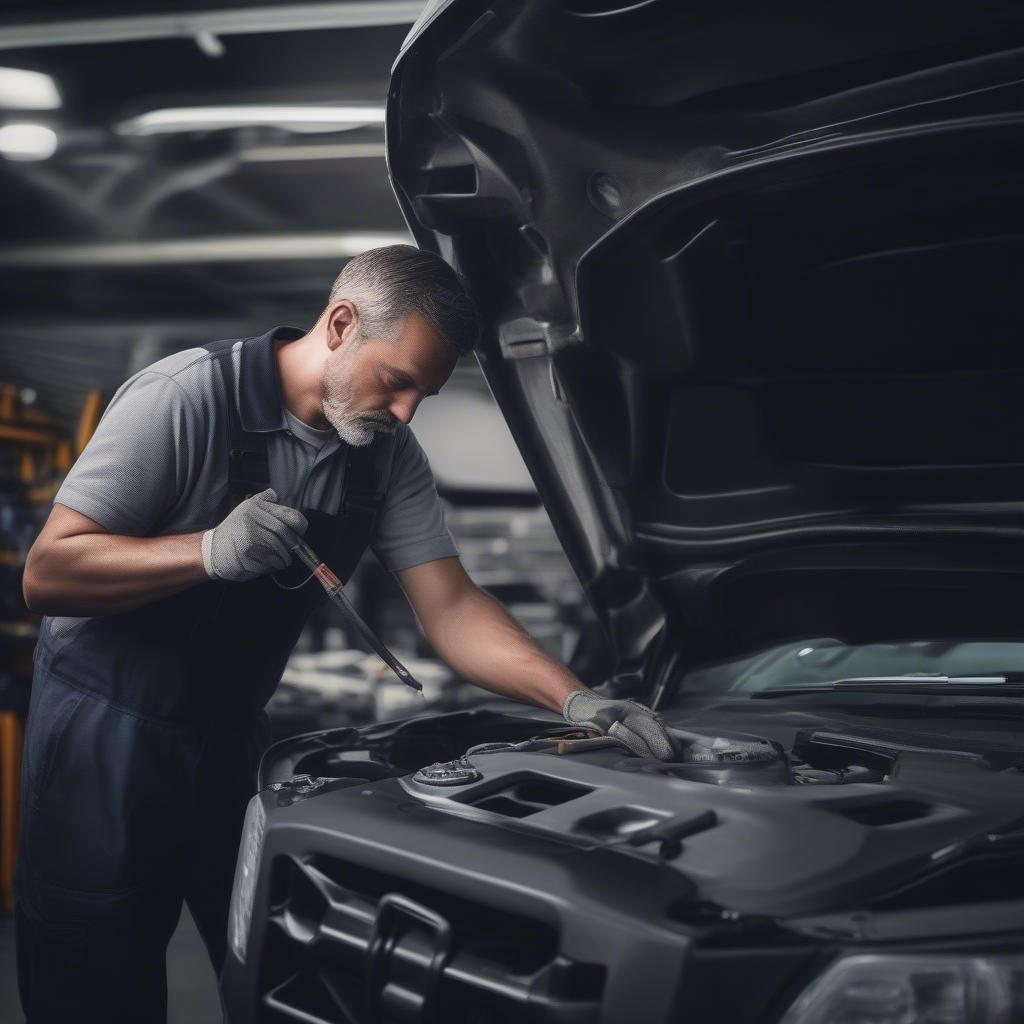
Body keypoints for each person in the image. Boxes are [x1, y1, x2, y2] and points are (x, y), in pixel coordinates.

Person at [15, 245, 673, 1021]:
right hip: (103, 738)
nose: (405, 414)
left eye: (421, 394)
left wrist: (576, 700)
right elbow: (47, 574)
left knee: (278, 970)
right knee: (95, 978)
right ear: (340, 323)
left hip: (230, 739)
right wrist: (206, 550)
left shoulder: (384, 456)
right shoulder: (184, 397)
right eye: (397, 382)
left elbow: (451, 606)